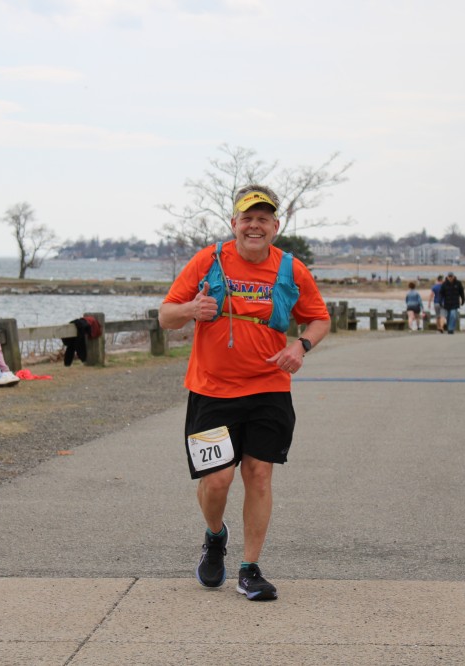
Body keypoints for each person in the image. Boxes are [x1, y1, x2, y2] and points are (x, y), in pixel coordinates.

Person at [158, 184, 331, 602]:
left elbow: (319, 319)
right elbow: (166, 315)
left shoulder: (291, 268)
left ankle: (250, 569)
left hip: (269, 389)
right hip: (212, 390)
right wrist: (191, 310)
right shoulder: (208, 260)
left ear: (276, 226)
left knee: (258, 473)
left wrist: (300, 346)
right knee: (217, 481)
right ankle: (215, 536)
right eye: (248, 218)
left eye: (263, 219)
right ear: (234, 222)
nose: (255, 226)